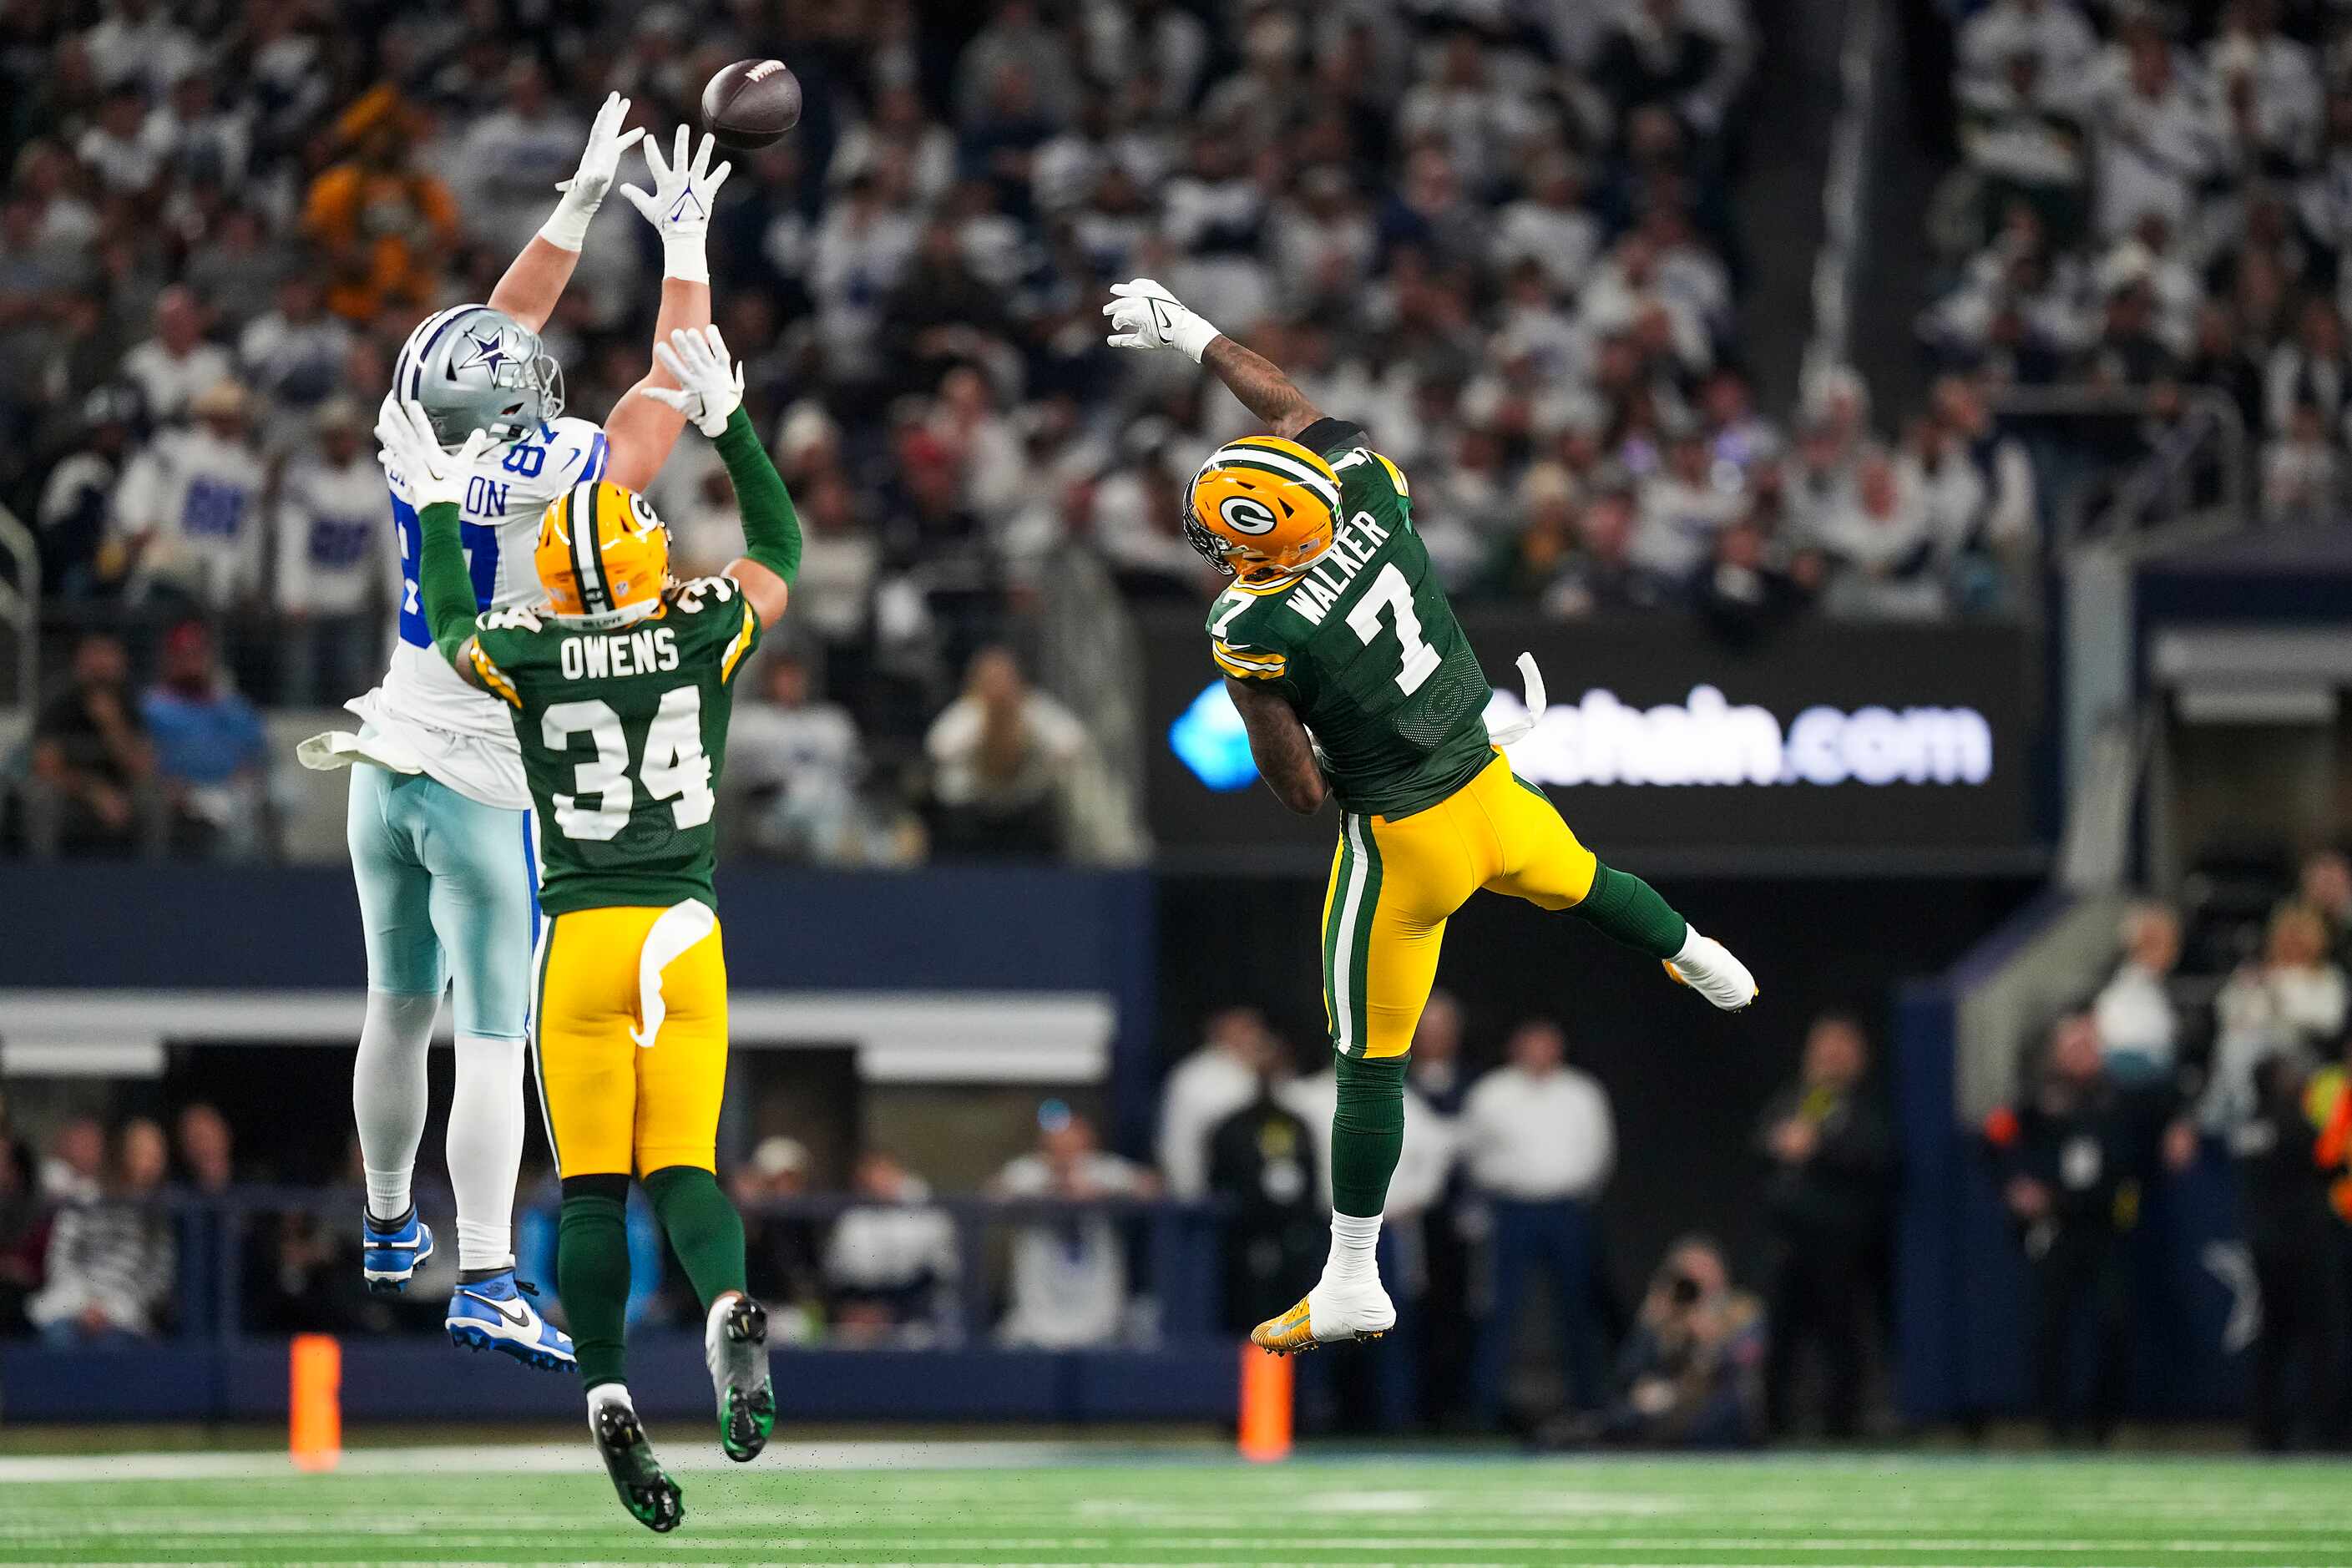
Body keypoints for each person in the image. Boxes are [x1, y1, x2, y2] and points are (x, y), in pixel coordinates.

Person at [1100, 276, 1756, 1358]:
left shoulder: (1253, 621)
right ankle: (1697, 953)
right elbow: (1286, 401)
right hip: (1493, 789)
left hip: (1405, 843)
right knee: (1588, 882)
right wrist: (1189, 330)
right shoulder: (1365, 486)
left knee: (1367, 1065)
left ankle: (1352, 1274)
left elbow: (1303, 791)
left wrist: (1259, 697)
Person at [299, 101, 715, 1378]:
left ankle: (384, 1223)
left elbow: (493, 331)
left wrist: (577, 208)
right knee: (491, 1034)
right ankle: (482, 1269)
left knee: (392, 1001)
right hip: (487, 778)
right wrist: (683, 242)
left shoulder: (408, 433)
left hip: (385, 756)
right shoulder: (580, 473)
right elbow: (672, 376)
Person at [398, 307, 798, 1530]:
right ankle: (728, 1307)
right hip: (681, 923)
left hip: (575, 935)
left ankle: (606, 1389)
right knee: (686, 1167)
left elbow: (456, 624)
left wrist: (433, 506)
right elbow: (779, 551)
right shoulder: (697, 626)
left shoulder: (525, 642)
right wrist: (731, 430)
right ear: (635, 557)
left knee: (586, 1193)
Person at [1985, 1011, 2194, 1443]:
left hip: (2108, 1226)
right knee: (2048, 1327)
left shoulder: (2125, 1097)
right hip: (2056, 1226)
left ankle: (2104, 1425)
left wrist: (2180, 1127)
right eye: (2070, 1047)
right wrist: (2014, 1185)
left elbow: (2175, 1098)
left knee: (2113, 1323)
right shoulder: (2039, 1101)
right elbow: (1994, 1139)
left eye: (2086, 1045)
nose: (2079, 1055)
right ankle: (2056, 1427)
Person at [1462, 1019, 1616, 1425]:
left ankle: (1589, 1406)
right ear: (1516, 1048)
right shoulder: (1492, 1094)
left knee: (1577, 1307)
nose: (1539, 1053)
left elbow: (1600, 1153)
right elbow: (1473, 1154)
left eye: (1547, 1045)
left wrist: (1573, 1190)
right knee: (1500, 1309)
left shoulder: (1582, 1093)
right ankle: (1485, 1409)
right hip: (1511, 1210)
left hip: (1567, 1210)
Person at [1754, 1013, 1893, 1439]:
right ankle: (1775, 1427)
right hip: (1791, 1245)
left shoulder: (1867, 1105)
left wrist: (1818, 1149)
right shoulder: (1803, 1099)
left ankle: (1843, 1428)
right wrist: (1784, 1142)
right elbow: (1765, 1141)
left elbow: (1875, 1157)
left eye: (1840, 1049)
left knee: (1842, 1340)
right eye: (1823, 1049)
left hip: (1842, 1247)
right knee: (1782, 1340)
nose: (1830, 1058)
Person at [2234, 1050, 2344, 1450]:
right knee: (2319, 1337)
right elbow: (2329, 1165)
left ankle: (2266, 1429)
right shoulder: (2294, 1123)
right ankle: (2324, 1429)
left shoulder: (2248, 1124)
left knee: (2272, 1339)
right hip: (2303, 1244)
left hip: (2264, 1245)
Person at [994, 1105, 1157, 1348]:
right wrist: (1051, 1190)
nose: (1066, 1152)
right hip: (1036, 1319)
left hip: (1098, 1319)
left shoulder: (1103, 1170)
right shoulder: (1028, 1171)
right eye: (1057, 1145)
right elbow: (993, 1194)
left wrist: (1102, 1194)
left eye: (1073, 1144)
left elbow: (1153, 1187)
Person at [1586, 1235, 1767, 1449]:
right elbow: (1629, 1370)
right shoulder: (1665, 1311)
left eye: (1706, 1269)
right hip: (1670, 1400)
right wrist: (1654, 1324)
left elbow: (1744, 1363)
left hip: (1719, 1400)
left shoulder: (1742, 1309)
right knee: (1621, 1415)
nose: (1700, 1277)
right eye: (1691, 1270)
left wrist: (1710, 1340)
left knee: (1718, 1415)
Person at [27, 1119, 174, 1344]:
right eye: (139, 1151)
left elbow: (158, 1277)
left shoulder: (159, 1215)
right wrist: (85, 1306)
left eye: (153, 1153)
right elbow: (61, 1256)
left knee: (111, 1348)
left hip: (125, 1313)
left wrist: (109, 1309)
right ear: (122, 1153)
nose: (147, 1161)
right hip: (73, 1304)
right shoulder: (86, 1196)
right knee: (59, 1341)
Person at [22, 633, 166, 859]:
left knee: (153, 797)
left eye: (108, 655)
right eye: (94, 654)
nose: (101, 664)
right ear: (79, 662)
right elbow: (46, 769)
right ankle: (44, 876)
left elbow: (144, 768)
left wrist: (112, 726)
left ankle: (154, 880)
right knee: (41, 795)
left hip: (122, 795)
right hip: (72, 794)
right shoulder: (59, 702)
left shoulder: (130, 702)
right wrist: (95, 792)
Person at [140, 620, 266, 858]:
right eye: (184, 655)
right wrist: (168, 785)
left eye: (197, 654)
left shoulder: (231, 705)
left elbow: (257, 752)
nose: (191, 662)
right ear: (170, 659)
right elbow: (143, 756)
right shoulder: (152, 706)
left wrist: (248, 777)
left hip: (231, 790)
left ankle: (250, 883)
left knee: (277, 796)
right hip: (179, 792)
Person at [823, 1149, 959, 1343]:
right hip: (864, 1313)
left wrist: (890, 1313)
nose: (877, 1180)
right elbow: (840, 1275)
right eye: (870, 1175)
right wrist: (860, 1310)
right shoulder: (852, 1219)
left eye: (883, 1172)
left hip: (917, 1314)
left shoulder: (927, 1212)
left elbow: (938, 1274)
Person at [1157, 1005, 1276, 1202]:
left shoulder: (1259, 1073)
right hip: (1210, 1195)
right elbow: (1178, 1144)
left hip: (1252, 1193)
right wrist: (1189, 1192)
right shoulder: (1199, 1075)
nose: (1254, 1036)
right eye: (1244, 1029)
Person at [2093, 901, 2184, 1085]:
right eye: (2166, 944)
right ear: (2142, 946)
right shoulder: (2124, 992)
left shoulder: (2154, 987)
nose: (2174, 952)